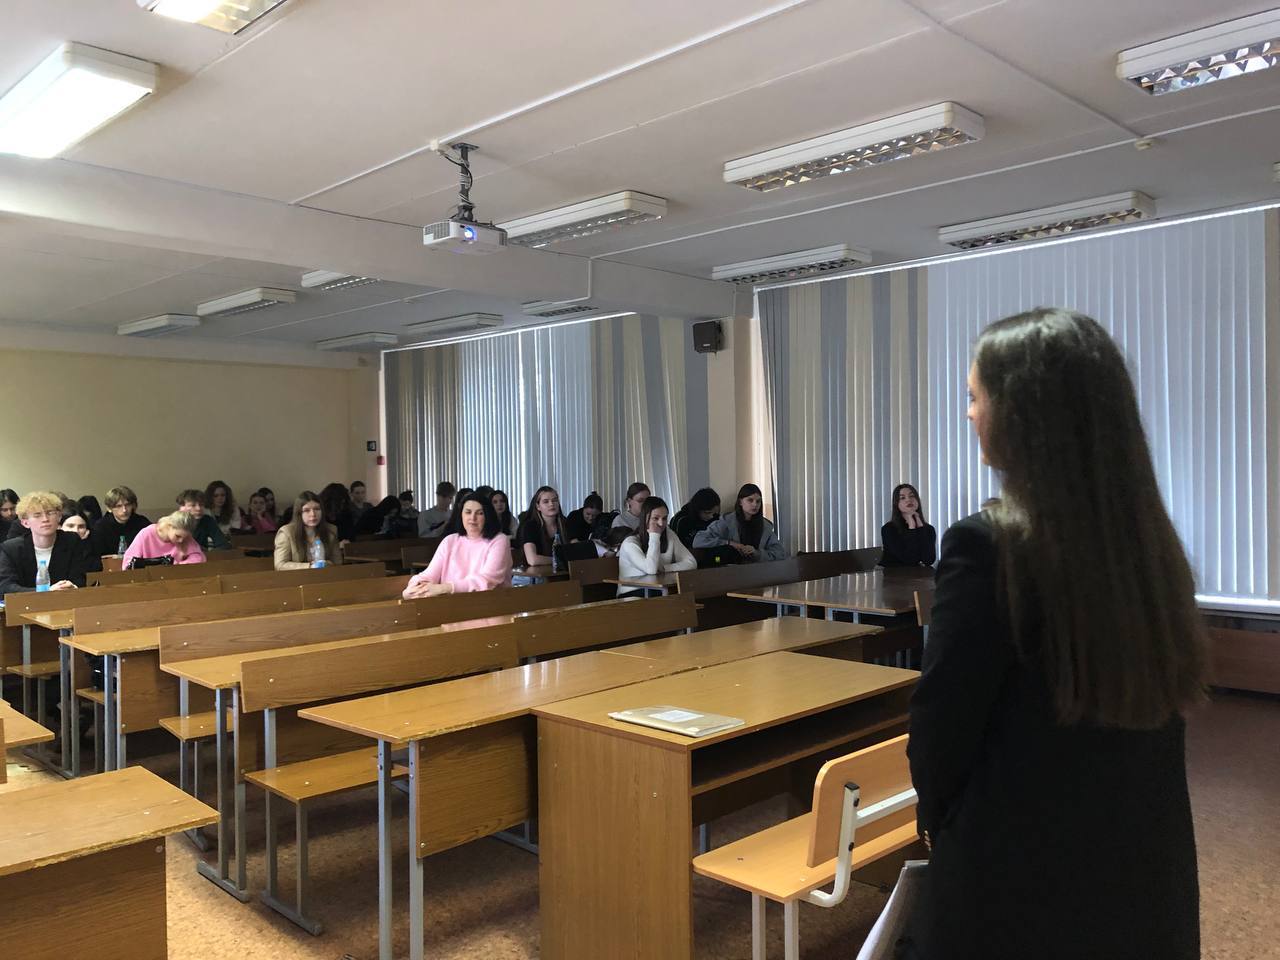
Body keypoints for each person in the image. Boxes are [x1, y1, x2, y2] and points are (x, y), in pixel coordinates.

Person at [900, 309, 1206, 960]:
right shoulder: (1148, 546)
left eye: (975, 396)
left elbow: (939, 734)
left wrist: (940, 830)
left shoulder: (986, 545)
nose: (969, 414)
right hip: (1142, 868)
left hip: (1020, 878)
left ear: (1021, 413)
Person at [402, 491, 512, 597]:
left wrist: (445, 588)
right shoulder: (450, 540)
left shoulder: (499, 540)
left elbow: (488, 580)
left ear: (488, 516)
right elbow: (429, 574)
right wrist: (415, 587)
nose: (472, 518)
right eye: (468, 512)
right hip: (451, 604)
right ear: (461, 515)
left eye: (480, 513)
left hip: (489, 603)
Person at [0, 491, 99, 592]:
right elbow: (6, 587)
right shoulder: (11, 549)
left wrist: (72, 587)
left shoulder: (72, 541)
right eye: (37, 515)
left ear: (59, 517)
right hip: (25, 601)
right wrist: (46, 591)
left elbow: (79, 579)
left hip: (66, 599)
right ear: (25, 523)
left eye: (50, 513)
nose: (45, 519)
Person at [615, 497, 696, 596]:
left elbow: (691, 562)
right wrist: (654, 536)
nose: (661, 523)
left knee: (685, 593)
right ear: (645, 519)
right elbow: (651, 570)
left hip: (658, 590)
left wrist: (665, 568)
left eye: (664, 518)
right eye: (655, 518)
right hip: (631, 592)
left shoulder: (669, 535)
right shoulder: (630, 543)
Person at [694, 483, 785, 562]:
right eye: (750, 500)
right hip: (731, 570)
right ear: (740, 502)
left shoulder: (765, 526)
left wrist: (757, 553)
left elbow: (780, 553)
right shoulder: (727, 521)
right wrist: (729, 543)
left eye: (758, 501)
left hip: (757, 570)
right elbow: (699, 540)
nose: (755, 505)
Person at [274, 491, 343, 570]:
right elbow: (280, 565)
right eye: (307, 510)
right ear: (299, 513)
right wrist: (309, 566)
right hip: (296, 576)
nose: (313, 514)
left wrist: (326, 564)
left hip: (325, 575)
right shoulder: (286, 533)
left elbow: (338, 562)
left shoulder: (331, 530)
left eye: (317, 509)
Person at [879, 483, 937, 567]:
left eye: (912, 496)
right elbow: (909, 559)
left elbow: (929, 560)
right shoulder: (889, 529)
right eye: (902, 498)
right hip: (893, 573)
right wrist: (911, 527)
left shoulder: (929, 529)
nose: (908, 500)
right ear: (896, 504)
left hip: (918, 574)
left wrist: (920, 527)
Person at [121, 510, 205, 567]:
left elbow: (199, 558)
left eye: (185, 537)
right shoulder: (147, 533)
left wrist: (179, 566)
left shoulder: (185, 538)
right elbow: (128, 562)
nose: (181, 541)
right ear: (169, 526)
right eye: (177, 536)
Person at [89, 485, 150, 557]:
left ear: (133, 505)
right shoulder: (100, 527)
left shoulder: (142, 523)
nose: (124, 510)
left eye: (127, 505)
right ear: (109, 508)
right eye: (118, 506)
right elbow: (96, 555)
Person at [515, 486, 569, 566]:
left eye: (554, 500)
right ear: (538, 506)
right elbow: (532, 560)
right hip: (533, 572)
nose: (551, 504)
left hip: (559, 571)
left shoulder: (565, 523)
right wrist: (560, 560)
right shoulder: (530, 526)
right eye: (546, 502)